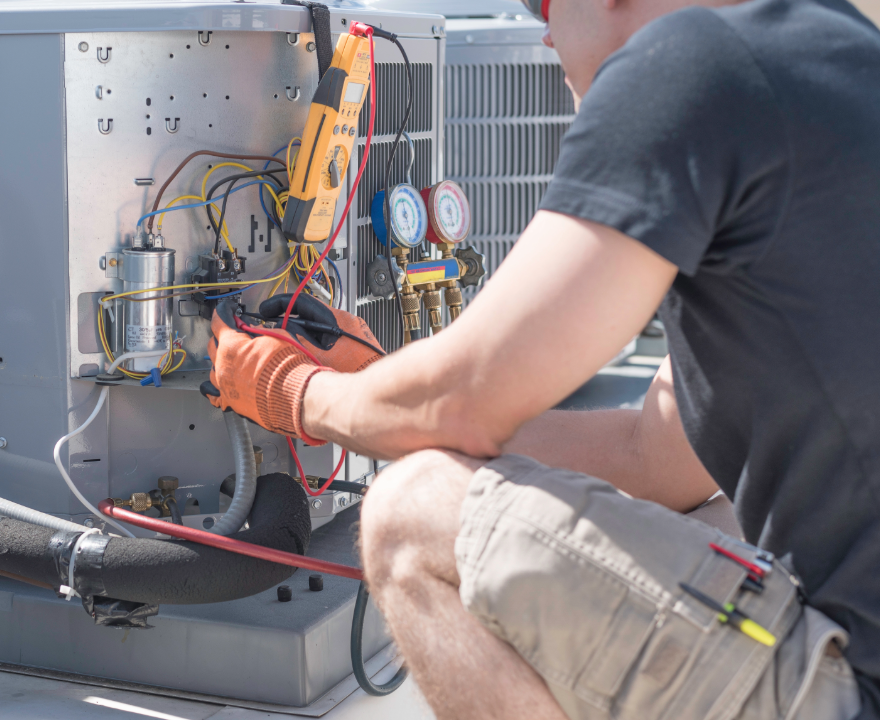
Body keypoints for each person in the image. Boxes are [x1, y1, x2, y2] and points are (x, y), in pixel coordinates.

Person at [200, 0, 880, 714]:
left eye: (543, 2)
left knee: (410, 514)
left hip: (854, 683)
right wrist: (376, 384)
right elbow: (653, 455)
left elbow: (464, 399)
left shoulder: (691, 64)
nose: (544, 29)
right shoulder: (835, 50)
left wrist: (296, 394)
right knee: (714, 511)